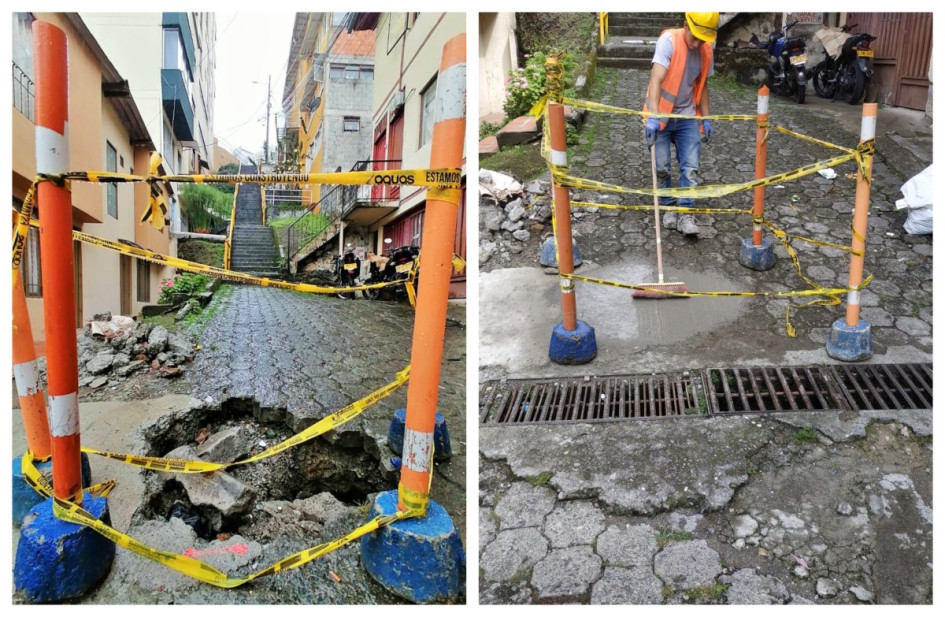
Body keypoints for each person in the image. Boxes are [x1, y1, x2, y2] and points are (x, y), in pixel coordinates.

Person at [643, 12, 718, 236]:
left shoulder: (706, 50)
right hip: (661, 117)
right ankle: (668, 206)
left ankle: (686, 213)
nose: (697, 44)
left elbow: (703, 86)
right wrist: (654, 116)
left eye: (702, 39)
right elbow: (656, 79)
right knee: (661, 167)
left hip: (687, 117)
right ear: (686, 25)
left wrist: (706, 118)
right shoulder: (668, 41)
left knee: (691, 168)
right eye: (694, 37)